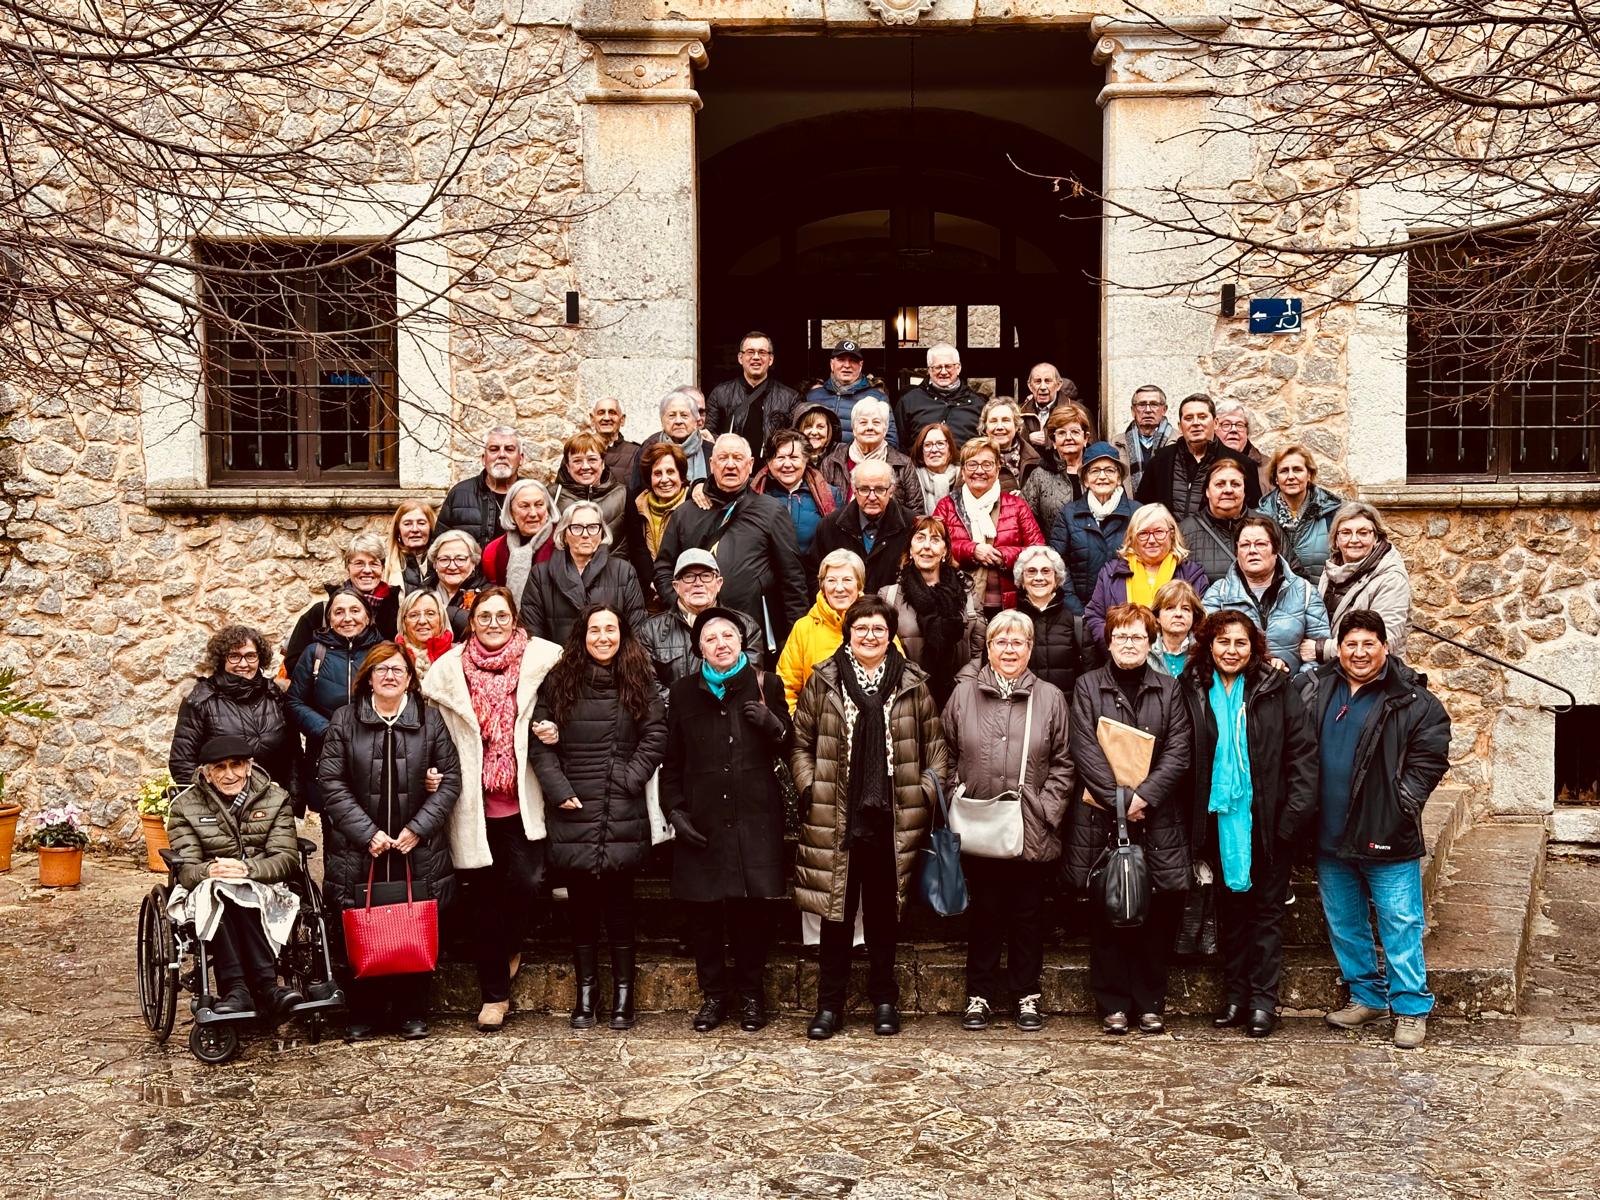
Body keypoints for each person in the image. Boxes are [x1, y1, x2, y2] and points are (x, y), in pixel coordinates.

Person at [791, 596, 949, 1040]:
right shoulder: (823, 681)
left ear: (891, 634)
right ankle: (829, 1006)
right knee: (835, 914)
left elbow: (937, 750)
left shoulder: (913, 683)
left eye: (879, 628)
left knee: (883, 916)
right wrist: (809, 787)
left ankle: (885, 1000)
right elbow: (801, 742)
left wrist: (923, 791)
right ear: (848, 633)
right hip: (836, 816)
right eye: (861, 628)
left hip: (893, 818)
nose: (870, 636)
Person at [1304, 610, 1451, 1049]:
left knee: (1400, 921)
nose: (1359, 652)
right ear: (1339, 648)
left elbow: (1431, 754)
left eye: (1369, 643)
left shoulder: (1411, 699)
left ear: (1385, 647)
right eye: (1350, 643)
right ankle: (1366, 996)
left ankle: (1410, 1007)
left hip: (1386, 828)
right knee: (1345, 922)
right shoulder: (1317, 686)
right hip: (1329, 832)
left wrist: (1403, 801)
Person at [421, 587, 563, 1031]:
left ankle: (510, 945)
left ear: (515, 619)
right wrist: (432, 773)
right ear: (471, 621)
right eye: (485, 616)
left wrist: (555, 729)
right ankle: (494, 997)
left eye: (502, 616)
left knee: (525, 882)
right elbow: (436, 736)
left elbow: (563, 709)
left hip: (523, 798)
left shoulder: (543, 662)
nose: (494, 624)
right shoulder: (447, 671)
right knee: (481, 900)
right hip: (471, 802)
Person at [1177, 610, 1318, 1038]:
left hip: (1267, 822)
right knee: (1231, 913)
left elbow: (1303, 756)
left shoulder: (1276, 688)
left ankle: (1262, 1001)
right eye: (1223, 642)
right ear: (1209, 645)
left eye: (1240, 643)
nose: (1231, 651)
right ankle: (1235, 996)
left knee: (1266, 914)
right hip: (1217, 821)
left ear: (1253, 647)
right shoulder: (1192, 688)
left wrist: (1290, 819)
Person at [531, 604, 668, 1031]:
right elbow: (540, 737)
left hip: (622, 803)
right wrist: (559, 791)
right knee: (582, 909)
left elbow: (656, 733)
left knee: (621, 906)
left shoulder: (639, 679)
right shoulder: (560, 679)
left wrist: (631, 776)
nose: (603, 637)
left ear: (622, 635)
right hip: (574, 805)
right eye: (595, 630)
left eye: (611, 629)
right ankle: (586, 993)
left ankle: (624, 996)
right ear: (582, 635)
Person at [317, 642, 463, 1041]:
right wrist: (367, 833)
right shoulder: (344, 721)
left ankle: (411, 1011)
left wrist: (418, 829)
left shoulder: (430, 722)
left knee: (412, 923)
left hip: (415, 847)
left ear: (410, 679)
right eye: (381, 669)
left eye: (398, 669)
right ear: (368, 677)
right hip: (361, 848)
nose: (390, 676)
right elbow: (331, 783)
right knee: (361, 923)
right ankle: (363, 1011)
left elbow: (450, 780)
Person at [1063, 603, 1193, 1035]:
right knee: (1109, 909)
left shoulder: (1168, 687)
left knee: (1156, 914)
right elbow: (1084, 748)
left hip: (1158, 820)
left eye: (1138, 637)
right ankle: (1113, 1002)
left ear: (1151, 641)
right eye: (1121, 637)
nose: (1129, 644)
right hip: (1102, 818)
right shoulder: (1087, 686)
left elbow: (1179, 751)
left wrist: (1145, 798)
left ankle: (1150, 1001)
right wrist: (1121, 801)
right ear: (1109, 641)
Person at [660, 607, 791, 1033]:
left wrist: (771, 723)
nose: (721, 643)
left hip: (754, 816)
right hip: (703, 819)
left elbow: (790, 746)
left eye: (728, 635)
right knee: (704, 914)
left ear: (741, 642)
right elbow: (672, 759)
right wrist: (675, 810)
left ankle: (751, 995)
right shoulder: (682, 693)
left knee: (750, 912)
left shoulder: (766, 684)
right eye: (711, 638)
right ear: (699, 649)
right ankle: (714, 995)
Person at [943, 611, 1074, 1033]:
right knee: (985, 912)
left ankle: (1026, 995)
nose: (1010, 649)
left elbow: (1064, 762)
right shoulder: (963, 695)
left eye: (1018, 642)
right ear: (988, 647)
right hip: (979, 823)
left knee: (1026, 914)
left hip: (1030, 826)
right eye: (1001, 642)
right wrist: (953, 794)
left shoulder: (1051, 697)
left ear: (1030, 648)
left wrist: (1045, 809)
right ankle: (978, 995)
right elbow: (944, 750)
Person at [165, 735, 303, 1017]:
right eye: (220, 767)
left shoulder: (276, 799)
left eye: (237, 765)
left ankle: (259, 987)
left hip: (262, 882)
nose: (230, 774)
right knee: (222, 892)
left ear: (249, 767)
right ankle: (241, 989)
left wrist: (248, 870)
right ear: (206, 773)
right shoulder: (184, 807)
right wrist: (209, 870)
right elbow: (188, 870)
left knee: (244, 893)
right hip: (209, 886)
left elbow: (286, 857)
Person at [652, 434, 809, 657]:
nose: (730, 465)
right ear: (711, 464)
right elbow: (664, 567)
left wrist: (796, 636)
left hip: (753, 632)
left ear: (750, 464)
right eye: (723, 458)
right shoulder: (686, 513)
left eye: (737, 458)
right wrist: (679, 604)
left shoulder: (771, 511)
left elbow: (792, 577)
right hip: (693, 632)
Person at [286, 586, 384, 811]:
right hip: (326, 754)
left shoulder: (383, 652)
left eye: (355, 610)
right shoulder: (315, 653)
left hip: (375, 753)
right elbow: (294, 702)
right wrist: (327, 730)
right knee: (332, 824)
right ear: (329, 619)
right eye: (339, 612)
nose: (347, 618)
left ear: (367, 616)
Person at [170, 625, 297, 795]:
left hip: (272, 803)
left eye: (250, 656)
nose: (243, 664)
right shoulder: (200, 698)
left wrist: (292, 799)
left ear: (260, 658)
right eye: (234, 656)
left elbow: (293, 754)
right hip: (220, 804)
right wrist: (209, 804)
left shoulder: (275, 695)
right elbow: (182, 761)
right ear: (222, 659)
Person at [877, 516, 984, 709]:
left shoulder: (967, 594)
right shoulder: (889, 597)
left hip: (960, 699)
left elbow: (978, 652)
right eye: (920, 538)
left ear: (945, 550)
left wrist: (959, 688)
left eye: (935, 540)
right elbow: (883, 653)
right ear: (910, 549)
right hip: (907, 700)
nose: (927, 546)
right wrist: (914, 688)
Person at [1203, 515, 1331, 671]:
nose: (1252, 551)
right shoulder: (1219, 593)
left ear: (1275, 550)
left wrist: (1297, 686)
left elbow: (1319, 655)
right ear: (1237, 551)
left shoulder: (1305, 591)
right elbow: (1202, 648)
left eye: (1261, 544)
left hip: (1292, 688)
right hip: (1236, 689)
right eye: (1244, 545)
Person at [934, 438, 1045, 616]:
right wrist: (972, 551)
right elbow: (933, 548)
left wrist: (1003, 556)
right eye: (972, 465)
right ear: (962, 472)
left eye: (987, 464)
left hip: (1011, 604)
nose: (979, 471)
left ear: (997, 469)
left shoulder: (1016, 505)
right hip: (959, 604)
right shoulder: (946, 506)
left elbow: (1039, 551)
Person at [518, 500, 646, 647]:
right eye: (577, 528)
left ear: (602, 533)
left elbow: (636, 631)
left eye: (593, 527)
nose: (585, 535)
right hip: (559, 665)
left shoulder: (623, 571)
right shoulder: (540, 574)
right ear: (564, 534)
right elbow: (533, 635)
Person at [1303, 502, 1413, 665]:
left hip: (1374, 675)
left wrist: (1322, 649)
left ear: (1376, 538)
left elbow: (1385, 641)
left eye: (1363, 533)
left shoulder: (1391, 579)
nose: (1354, 540)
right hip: (1336, 670)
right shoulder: (1332, 570)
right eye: (1346, 533)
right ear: (1336, 539)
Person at [1085, 504, 1209, 644]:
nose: (1151, 540)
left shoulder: (1191, 575)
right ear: (1132, 537)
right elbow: (1094, 617)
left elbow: (1201, 622)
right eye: (1143, 534)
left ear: (1172, 534)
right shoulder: (1111, 573)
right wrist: (1117, 646)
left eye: (1159, 532)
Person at [638, 550, 764, 687]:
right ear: (676, 586)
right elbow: (648, 685)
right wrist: (680, 705)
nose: (698, 583)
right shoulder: (651, 630)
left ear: (719, 583)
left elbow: (750, 680)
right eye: (689, 576)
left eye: (706, 576)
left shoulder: (745, 626)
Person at [282, 534, 399, 674]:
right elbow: (294, 663)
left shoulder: (397, 609)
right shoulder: (322, 612)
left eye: (374, 563)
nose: (367, 570)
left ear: (382, 568)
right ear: (347, 567)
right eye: (359, 563)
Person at [1136, 393, 1260, 519]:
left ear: (1216, 423)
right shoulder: (1160, 460)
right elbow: (1143, 509)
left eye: (1202, 417)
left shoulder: (1242, 464)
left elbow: (1252, 514)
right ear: (1180, 427)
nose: (1195, 423)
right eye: (1189, 418)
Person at [1050, 441, 1138, 615]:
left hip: (1128, 612)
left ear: (1119, 478)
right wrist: (1078, 611)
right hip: (1079, 612)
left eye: (1110, 470)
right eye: (1095, 471)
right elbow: (1057, 564)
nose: (1102, 476)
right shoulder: (1068, 514)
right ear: (1085, 480)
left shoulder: (1138, 513)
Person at [777, 549, 866, 710]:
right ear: (822, 585)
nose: (839, 588)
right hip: (815, 731)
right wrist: (799, 730)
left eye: (847, 580)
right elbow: (785, 688)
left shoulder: (878, 625)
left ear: (859, 584)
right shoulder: (804, 629)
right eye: (831, 580)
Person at [1178, 459, 1286, 586]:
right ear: (1207, 491)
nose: (1228, 490)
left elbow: (1293, 573)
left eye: (1235, 484)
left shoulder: (1267, 525)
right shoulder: (1184, 531)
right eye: (1220, 484)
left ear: (1244, 490)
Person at [812, 459, 914, 593]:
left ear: (891, 490)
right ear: (854, 490)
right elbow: (815, 576)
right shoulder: (830, 526)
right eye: (864, 489)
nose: (872, 497)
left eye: (880, 489)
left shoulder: (911, 525)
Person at [819, 397, 923, 513]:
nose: (869, 427)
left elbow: (916, 510)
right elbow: (822, 507)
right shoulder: (832, 462)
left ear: (885, 430)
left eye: (876, 422)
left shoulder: (904, 464)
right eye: (863, 422)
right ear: (854, 429)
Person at [750, 427, 839, 563]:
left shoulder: (831, 494)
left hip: (813, 575)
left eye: (794, 458)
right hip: (765, 574)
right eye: (780, 458)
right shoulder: (754, 493)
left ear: (806, 460)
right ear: (769, 462)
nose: (787, 464)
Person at [1260, 444, 1343, 586]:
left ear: (1309, 475)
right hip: (1276, 601)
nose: (1291, 476)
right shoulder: (1261, 518)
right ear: (1276, 479)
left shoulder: (1333, 514)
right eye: (1284, 471)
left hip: (1322, 601)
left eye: (1297, 470)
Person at [707, 330, 801, 451]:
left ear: (770, 359)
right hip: (733, 466)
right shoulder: (720, 393)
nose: (756, 357)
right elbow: (708, 435)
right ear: (740, 358)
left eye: (762, 352)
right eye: (750, 352)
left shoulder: (790, 398)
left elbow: (796, 440)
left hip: (773, 468)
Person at [1013, 545, 1086, 697]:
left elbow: (1089, 681)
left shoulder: (1077, 625)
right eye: (1031, 571)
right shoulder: (1007, 623)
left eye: (1046, 571)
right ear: (1021, 580)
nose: (1039, 577)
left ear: (1056, 578)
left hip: (1065, 714)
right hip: (1019, 714)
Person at [436, 426, 524, 551]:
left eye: (509, 449)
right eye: (494, 449)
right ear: (483, 458)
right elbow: (438, 548)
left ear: (521, 459)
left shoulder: (535, 495)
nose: (502, 455)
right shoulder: (459, 494)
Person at [628, 441, 690, 606]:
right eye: (657, 473)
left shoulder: (694, 505)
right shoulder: (636, 506)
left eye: (670, 472)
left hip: (685, 597)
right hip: (647, 598)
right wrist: (652, 582)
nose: (665, 479)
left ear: (681, 475)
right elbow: (635, 551)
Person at [801, 339, 895, 446]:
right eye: (841, 360)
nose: (847, 365)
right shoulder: (813, 396)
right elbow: (798, 436)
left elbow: (890, 441)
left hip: (859, 461)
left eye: (853, 360)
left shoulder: (878, 398)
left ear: (860, 365)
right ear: (832, 364)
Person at [549, 431, 629, 553]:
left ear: (602, 463)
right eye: (577, 461)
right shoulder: (552, 495)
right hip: (563, 571)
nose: (585, 466)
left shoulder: (623, 494)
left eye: (592, 460)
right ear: (568, 467)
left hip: (613, 570)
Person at [480, 479, 558, 603]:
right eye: (524, 506)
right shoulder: (493, 550)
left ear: (548, 509)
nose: (533, 513)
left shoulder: (562, 543)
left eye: (539, 505)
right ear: (511, 511)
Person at [1021, 403, 1093, 533]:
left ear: (1085, 438)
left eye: (1075, 432)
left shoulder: (1099, 471)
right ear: (1053, 442)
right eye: (1061, 433)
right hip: (1053, 550)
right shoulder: (1040, 475)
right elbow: (1025, 522)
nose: (1068, 438)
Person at [897, 343, 986, 445]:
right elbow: (900, 445)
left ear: (958, 368)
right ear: (929, 370)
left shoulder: (977, 404)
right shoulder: (909, 401)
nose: (943, 372)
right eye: (938, 367)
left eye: (948, 366)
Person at [633, 388, 712, 491]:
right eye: (672, 416)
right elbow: (637, 490)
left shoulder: (711, 452)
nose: (678, 421)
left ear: (695, 420)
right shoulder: (649, 450)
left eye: (684, 415)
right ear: (662, 421)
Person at [1112, 385, 1175, 498]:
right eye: (1141, 405)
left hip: (1165, 511)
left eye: (1154, 404)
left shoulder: (1178, 441)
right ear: (1133, 411)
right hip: (1129, 511)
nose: (1148, 410)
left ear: (1164, 410)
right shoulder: (1116, 443)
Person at [426, 529, 485, 640]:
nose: (452, 566)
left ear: (473, 562)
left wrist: (441, 611)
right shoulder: (421, 592)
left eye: (460, 559)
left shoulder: (488, 593)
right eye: (444, 559)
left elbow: (481, 628)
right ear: (435, 564)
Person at [981, 396, 1042, 493]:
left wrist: (1026, 498)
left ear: (1017, 425)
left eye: (1006, 420)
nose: (999, 427)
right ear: (985, 427)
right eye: (993, 421)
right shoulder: (972, 457)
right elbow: (958, 501)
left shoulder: (1034, 460)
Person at [1214, 399, 1274, 498]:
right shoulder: (1204, 463)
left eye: (1240, 425)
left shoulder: (1269, 467)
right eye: (1226, 425)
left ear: (1247, 431)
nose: (1233, 430)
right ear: (1214, 429)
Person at [1148, 579, 1205, 677]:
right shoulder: (1145, 651)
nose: (1178, 614)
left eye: (1185, 609)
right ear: (1157, 616)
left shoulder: (1204, 652)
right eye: (1170, 608)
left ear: (1194, 617)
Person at [395, 590, 454, 679]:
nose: (422, 621)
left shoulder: (458, 656)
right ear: (403, 623)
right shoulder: (390, 657)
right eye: (413, 615)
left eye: (430, 614)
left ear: (441, 620)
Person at [1018, 362, 1075, 448]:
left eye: (1048, 381)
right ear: (1030, 386)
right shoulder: (1018, 412)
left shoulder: (1077, 411)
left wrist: (1049, 440)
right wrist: (1027, 439)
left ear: (1058, 385)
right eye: (1038, 381)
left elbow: (1090, 449)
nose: (1043, 387)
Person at [908, 421, 959, 517]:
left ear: (950, 448)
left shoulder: (962, 477)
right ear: (921, 451)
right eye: (928, 445)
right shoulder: (912, 477)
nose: (934, 450)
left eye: (940, 443)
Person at [383, 501, 436, 592]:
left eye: (421, 523)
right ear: (398, 530)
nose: (415, 529)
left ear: (431, 528)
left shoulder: (443, 564)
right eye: (407, 524)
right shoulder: (385, 567)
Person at [589, 395, 640, 483]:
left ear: (622, 420)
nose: (607, 418)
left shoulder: (637, 453)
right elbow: (562, 491)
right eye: (601, 413)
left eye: (612, 413)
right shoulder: (577, 450)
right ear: (592, 419)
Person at [792, 399, 843, 466]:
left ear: (829, 431)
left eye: (820, 427)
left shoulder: (840, 457)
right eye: (808, 426)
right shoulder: (789, 458)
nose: (814, 432)